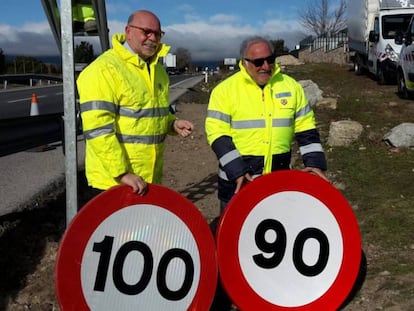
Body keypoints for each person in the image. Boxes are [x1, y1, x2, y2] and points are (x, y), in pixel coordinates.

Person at [77, 10, 194, 198]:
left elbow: (150, 116)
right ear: (128, 31)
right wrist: (122, 173)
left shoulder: (157, 71)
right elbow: (98, 129)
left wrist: (172, 124)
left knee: (143, 228)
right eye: (146, 31)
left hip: (148, 179)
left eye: (157, 34)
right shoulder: (104, 69)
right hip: (113, 183)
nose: (153, 38)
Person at [205, 36, 327, 212]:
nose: (265, 66)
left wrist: (314, 162)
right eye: (258, 62)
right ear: (245, 62)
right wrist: (236, 170)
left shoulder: (291, 87)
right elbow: (217, 132)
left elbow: (305, 127)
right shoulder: (224, 91)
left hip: (279, 182)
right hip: (237, 182)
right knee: (232, 236)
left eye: (270, 60)